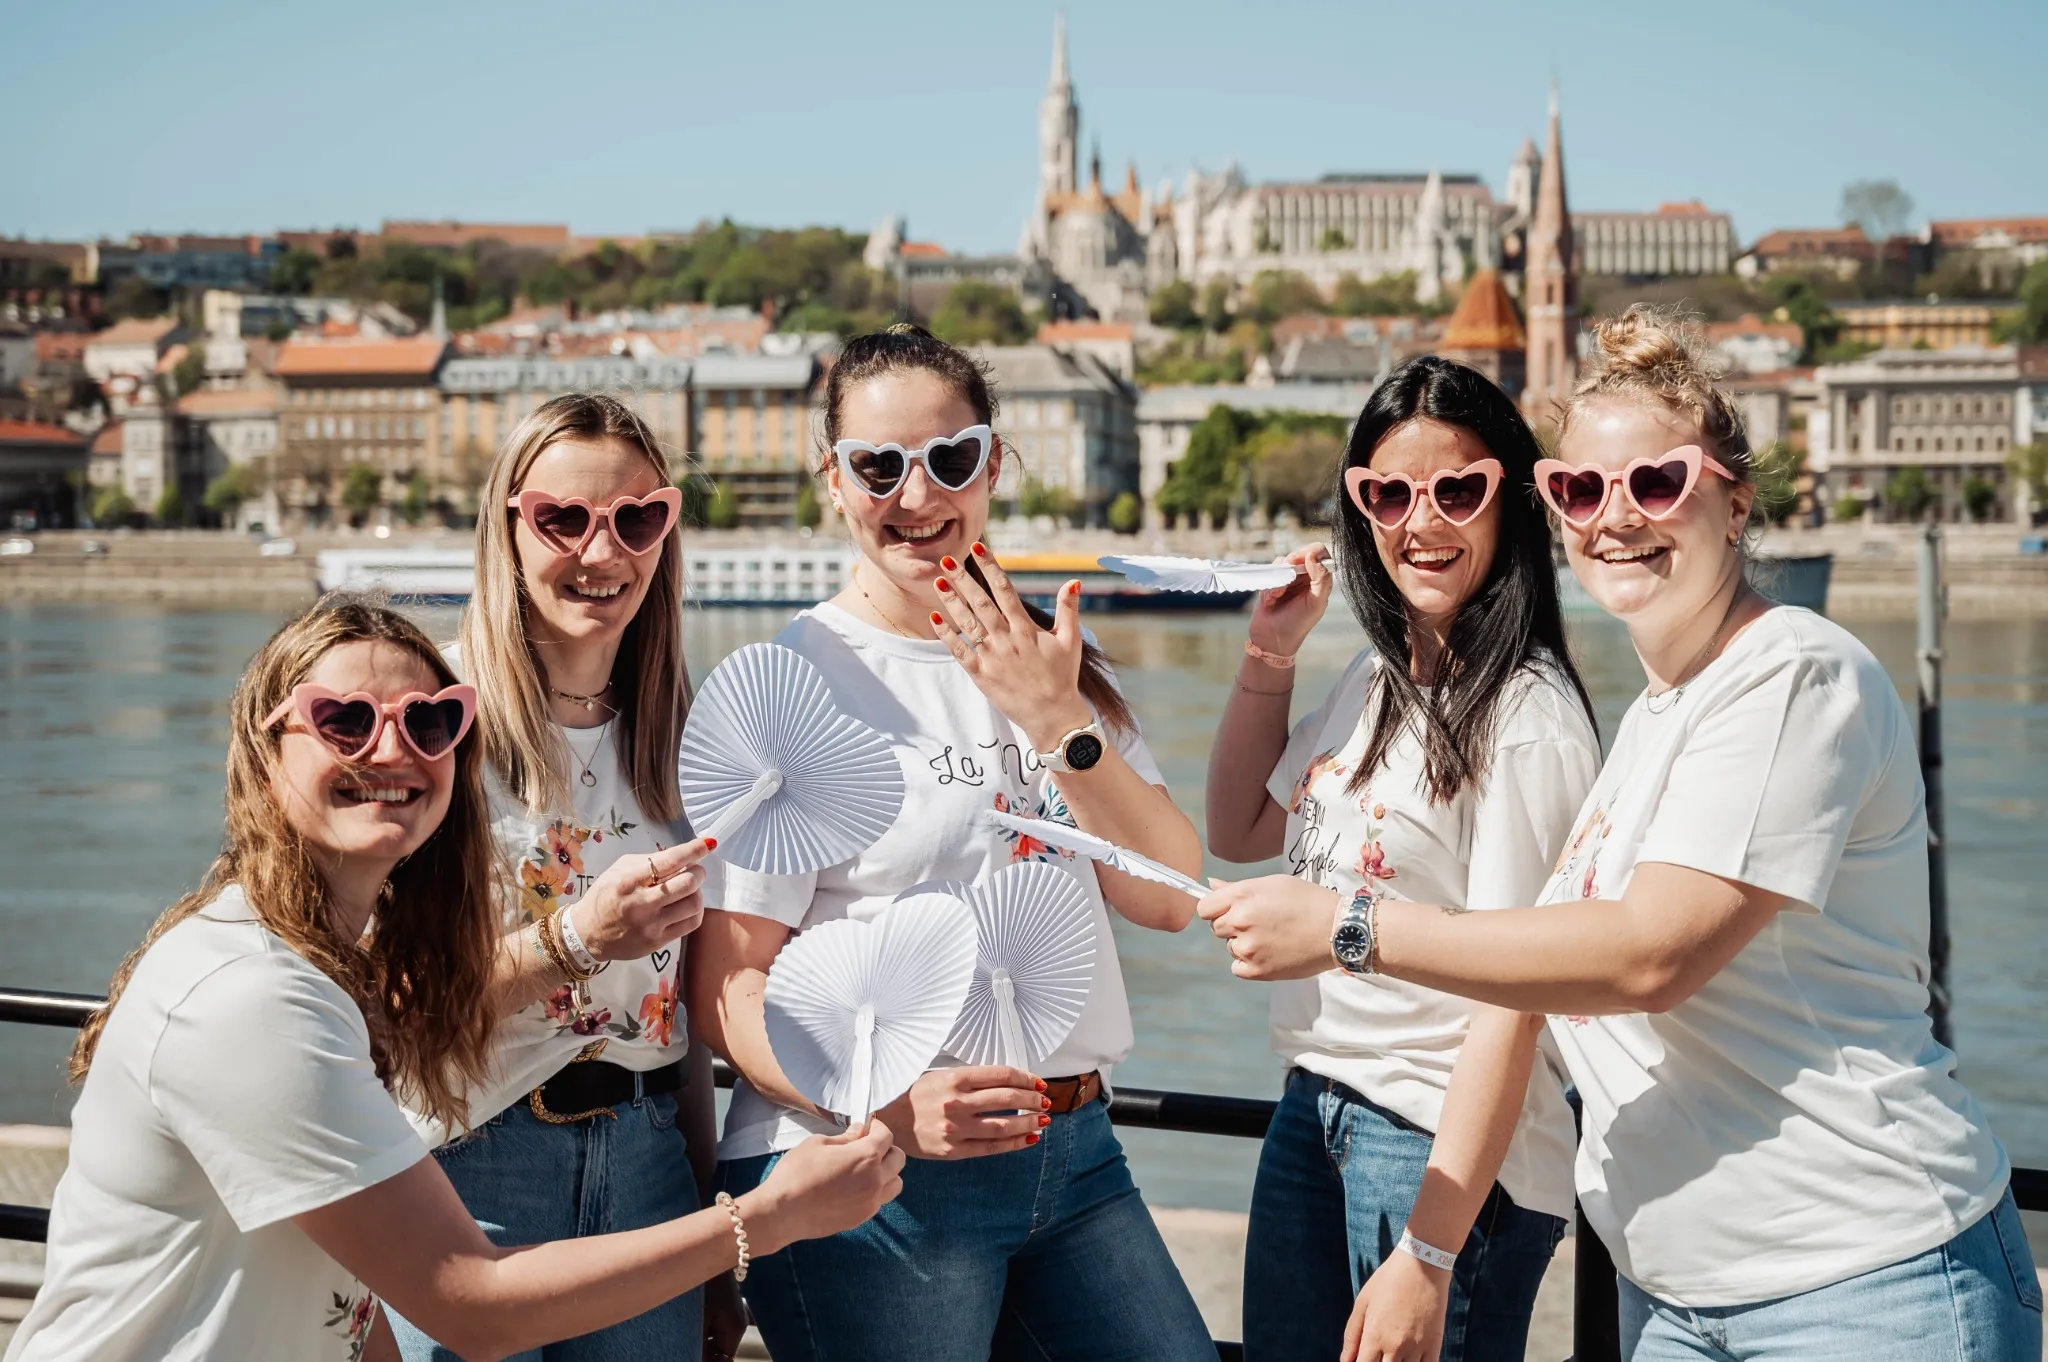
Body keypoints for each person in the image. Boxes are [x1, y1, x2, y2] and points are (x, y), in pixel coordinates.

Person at [1199, 308, 2041, 1361]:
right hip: (1677, 1288)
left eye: (1657, 482)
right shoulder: (1650, 719)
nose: (1615, 516)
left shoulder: (1791, 672)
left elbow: (1647, 955)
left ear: (1735, 503)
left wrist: (1347, 928)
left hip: (1858, 1273)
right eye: (1581, 488)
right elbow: (1542, 963)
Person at [6, 595, 904, 1362]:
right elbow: (473, 1303)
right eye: (344, 720)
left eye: (427, 722)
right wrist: (764, 1218)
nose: (391, 749)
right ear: (265, 752)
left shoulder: (311, 967)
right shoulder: (252, 998)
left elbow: (350, 1301)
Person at [689, 324, 1217, 1362]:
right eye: (878, 467)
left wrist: (1056, 718)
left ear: (993, 465)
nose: (918, 495)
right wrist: (885, 1103)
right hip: (869, 1169)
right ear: (833, 482)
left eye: (950, 458)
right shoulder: (786, 685)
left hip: (1075, 1150)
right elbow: (727, 987)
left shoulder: (1054, 658)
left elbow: (1167, 896)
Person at [1209, 356, 1600, 1362]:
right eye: (1387, 494)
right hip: (1314, 1101)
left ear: (1511, 501)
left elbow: (1519, 993)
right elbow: (1240, 826)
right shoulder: (1377, 678)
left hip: (1434, 1139)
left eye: (1457, 490)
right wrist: (1270, 653)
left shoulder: (1526, 715)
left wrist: (1429, 1249)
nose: (1419, 522)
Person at [387, 393, 743, 1362]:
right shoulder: (429, 722)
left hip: (650, 1170)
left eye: (637, 518)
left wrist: (710, 1236)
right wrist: (577, 940)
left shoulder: (687, 737)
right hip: (466, 1164)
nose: (602, 551)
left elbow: (676, 1026)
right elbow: (386, 1005)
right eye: (563, 519)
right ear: (507, 526)